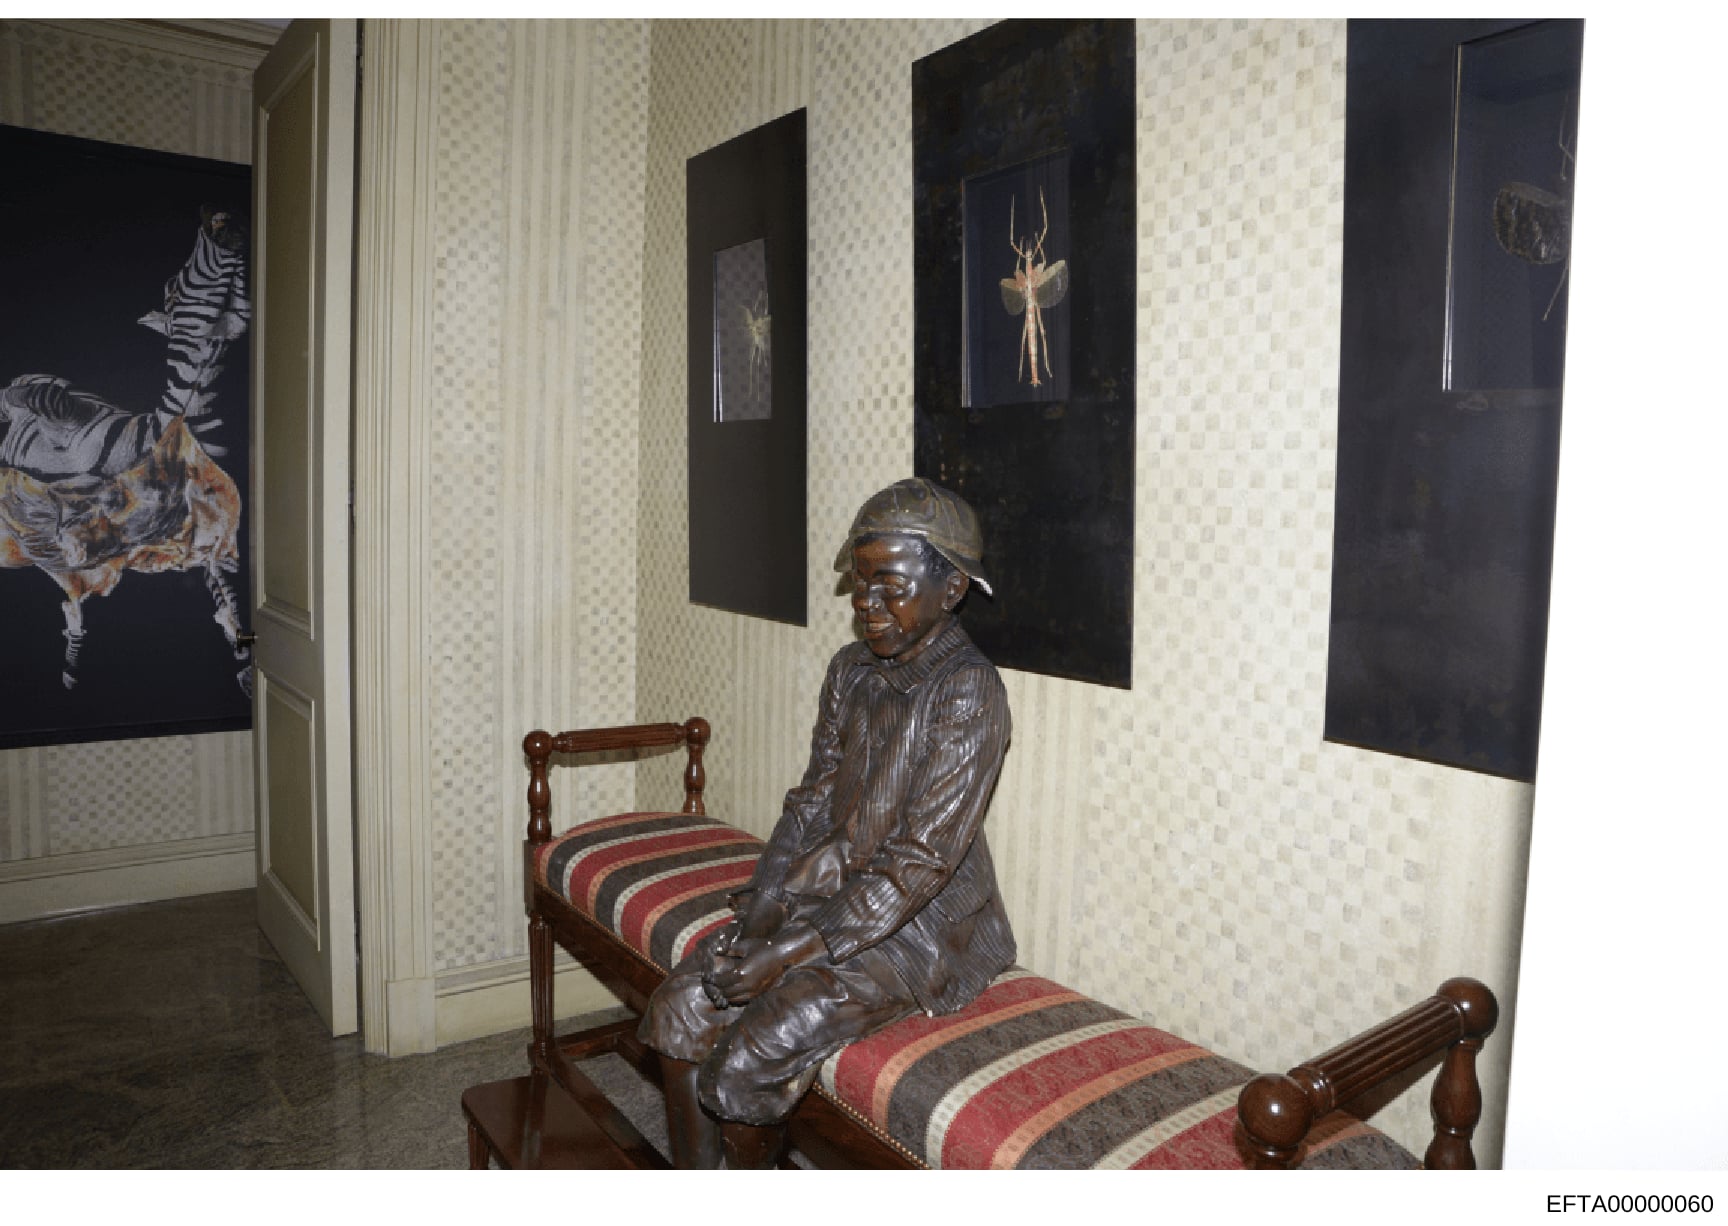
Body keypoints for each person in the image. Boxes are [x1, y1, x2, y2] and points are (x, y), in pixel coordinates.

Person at [639, 477, 1017, 1168]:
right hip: (828, 898)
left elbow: (917, 865)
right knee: (680, 1009)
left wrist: (782, 956)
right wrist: (759, 918)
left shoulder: (969, 691)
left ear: (953, 589)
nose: (867, 607)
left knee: (747, 1059)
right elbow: (811, 801)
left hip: (920, 930)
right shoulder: (851, 671)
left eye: (890, 587)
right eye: (860, 585)